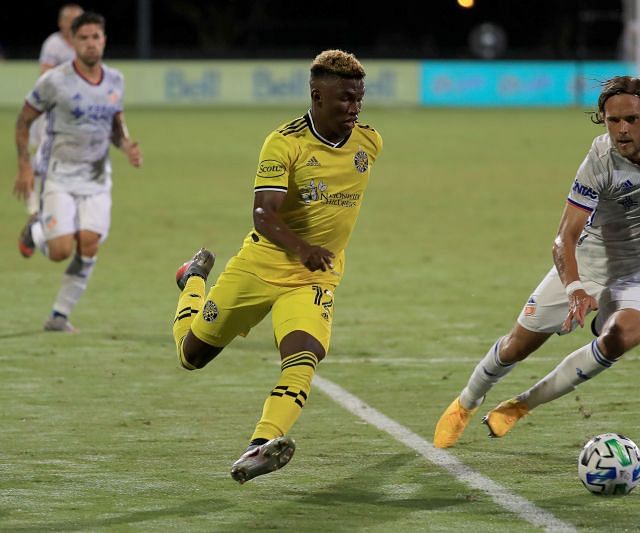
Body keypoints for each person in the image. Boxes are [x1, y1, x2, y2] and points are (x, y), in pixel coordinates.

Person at [433, 76, 640, 448]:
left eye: (631, 119)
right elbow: (563, 237)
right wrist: (575, 289)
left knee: (619, 336)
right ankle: (467, 402)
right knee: (516, 346)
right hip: (590, 264)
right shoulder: (601, 159)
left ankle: (521, 406)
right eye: (612, 121)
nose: (622, 130)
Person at [171, 49, 382, 484]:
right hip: (260, 266)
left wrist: (312, 255)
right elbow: (263, 215)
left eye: (359, 98)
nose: (354, 108)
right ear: (316, 96)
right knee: (192, 357)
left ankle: (259, 447)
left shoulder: (369, 143)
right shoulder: (283, 143)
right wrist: (302, 245)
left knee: (303, 355)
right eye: (344, 98)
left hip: (315, 276)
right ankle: (193, 279)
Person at [14, 11, 143, 333]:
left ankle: (59, 315)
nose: (90, 44)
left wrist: (126, 145)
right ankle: (36, 232)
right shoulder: (55, 80)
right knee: (60, 251)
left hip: (97, 176)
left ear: (104, 40)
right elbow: (23, 120)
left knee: (89, 243)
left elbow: (114, 125)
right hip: (58, 173)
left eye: (95, 37)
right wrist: (24, 165)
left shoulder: (116, 79)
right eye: (83, 38)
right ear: (73, 42)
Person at [25, 4, 84, 217]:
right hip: (50, 109)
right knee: (43, 155)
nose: (76, 22)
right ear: (62, 22)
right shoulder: (53, 44)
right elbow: (45, 75)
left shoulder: (84, 45)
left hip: (74, 112)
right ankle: (33, 201)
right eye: (72, 19)